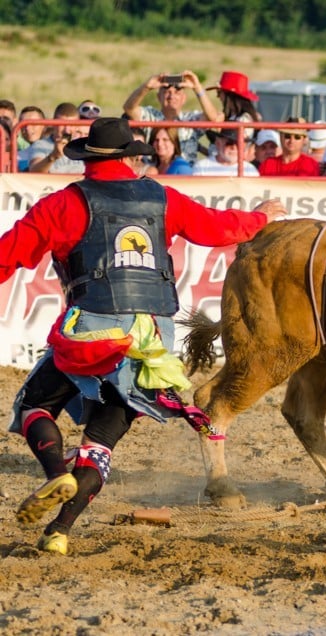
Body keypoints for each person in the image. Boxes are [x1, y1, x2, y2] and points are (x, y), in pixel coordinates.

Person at [0, 117, 286, 554]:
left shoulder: (64, 204)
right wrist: (261, 218)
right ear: (130, 157)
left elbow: (9, 253)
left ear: (87, 159)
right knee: (102, 439)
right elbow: (215, 228)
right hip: (154, 338)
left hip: (92, 330)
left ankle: (56, 470)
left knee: (35, 405)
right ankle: (59, 531)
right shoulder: (162, 198)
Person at [122, 70, 218, 164]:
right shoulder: (150, 116)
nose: (171, 96)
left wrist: (197, 87)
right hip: (154, 175)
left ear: (184, 98)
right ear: (159, 97)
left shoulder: (190, 119)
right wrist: (146, 87)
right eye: (167, 92)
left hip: (185, 176)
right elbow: (129, 108)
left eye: (177, 92)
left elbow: (213, 117)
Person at [27, 102, 86, 174]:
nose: (67, 130)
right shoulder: (40, 145)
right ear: (53, 124)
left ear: (77, 126)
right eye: (62, 124)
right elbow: (34, 171)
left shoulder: (83, 146)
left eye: (71, 125)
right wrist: (53, 156)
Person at [192, 129, 259, 176]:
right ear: (218, 143)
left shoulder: (250, 170)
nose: (234, 148)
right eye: (229, 143)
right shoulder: (201, 167)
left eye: (238, 144)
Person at [16, 105, 45, 171]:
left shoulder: (55, 152)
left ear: (44, 125)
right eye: (23, 124)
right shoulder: (17, 156)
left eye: (33, 123)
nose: (28, 128)